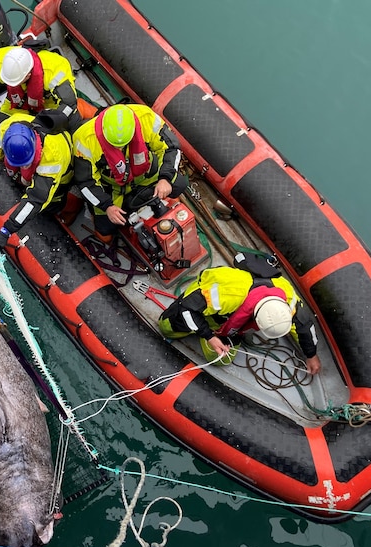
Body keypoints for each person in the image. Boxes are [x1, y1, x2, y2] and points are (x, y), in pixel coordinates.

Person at [158, 263, 322, 374]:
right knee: (166, 327)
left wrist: (311, 354)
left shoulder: (287, 298)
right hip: (202, 302)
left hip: (230, 318)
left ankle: (214, 331)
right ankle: (198, 330)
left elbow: (303, 325)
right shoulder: (228, 295)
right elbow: (187, 308)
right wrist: (210, 337)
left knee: (220, 359)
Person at [0, 113, 73, 250]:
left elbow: (36, 199)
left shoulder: (53, 157)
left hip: (61, 175)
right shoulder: (6, 129)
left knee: (53, 202)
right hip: (27, 165)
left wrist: (7, 230)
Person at [72, 103, 188, 241]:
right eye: (114, 145)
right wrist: (107, 206)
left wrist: (166, 179)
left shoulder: (146, 117)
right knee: (105, 230)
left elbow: (171, 147)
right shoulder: (85, 140)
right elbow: (86, 182)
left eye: (123, 144)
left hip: (145, 175)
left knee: (179, 184)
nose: (119, 148)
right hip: (113, 188)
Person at [0, 45, 83, 132]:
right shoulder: (4, 60)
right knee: (4, 126)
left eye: (14, 82)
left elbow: (69, 104)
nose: (10, 85)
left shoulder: (55, 70)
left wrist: (44, 125)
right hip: (18, 101)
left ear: (27, 75)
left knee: (72, 124)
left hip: (50, 106)